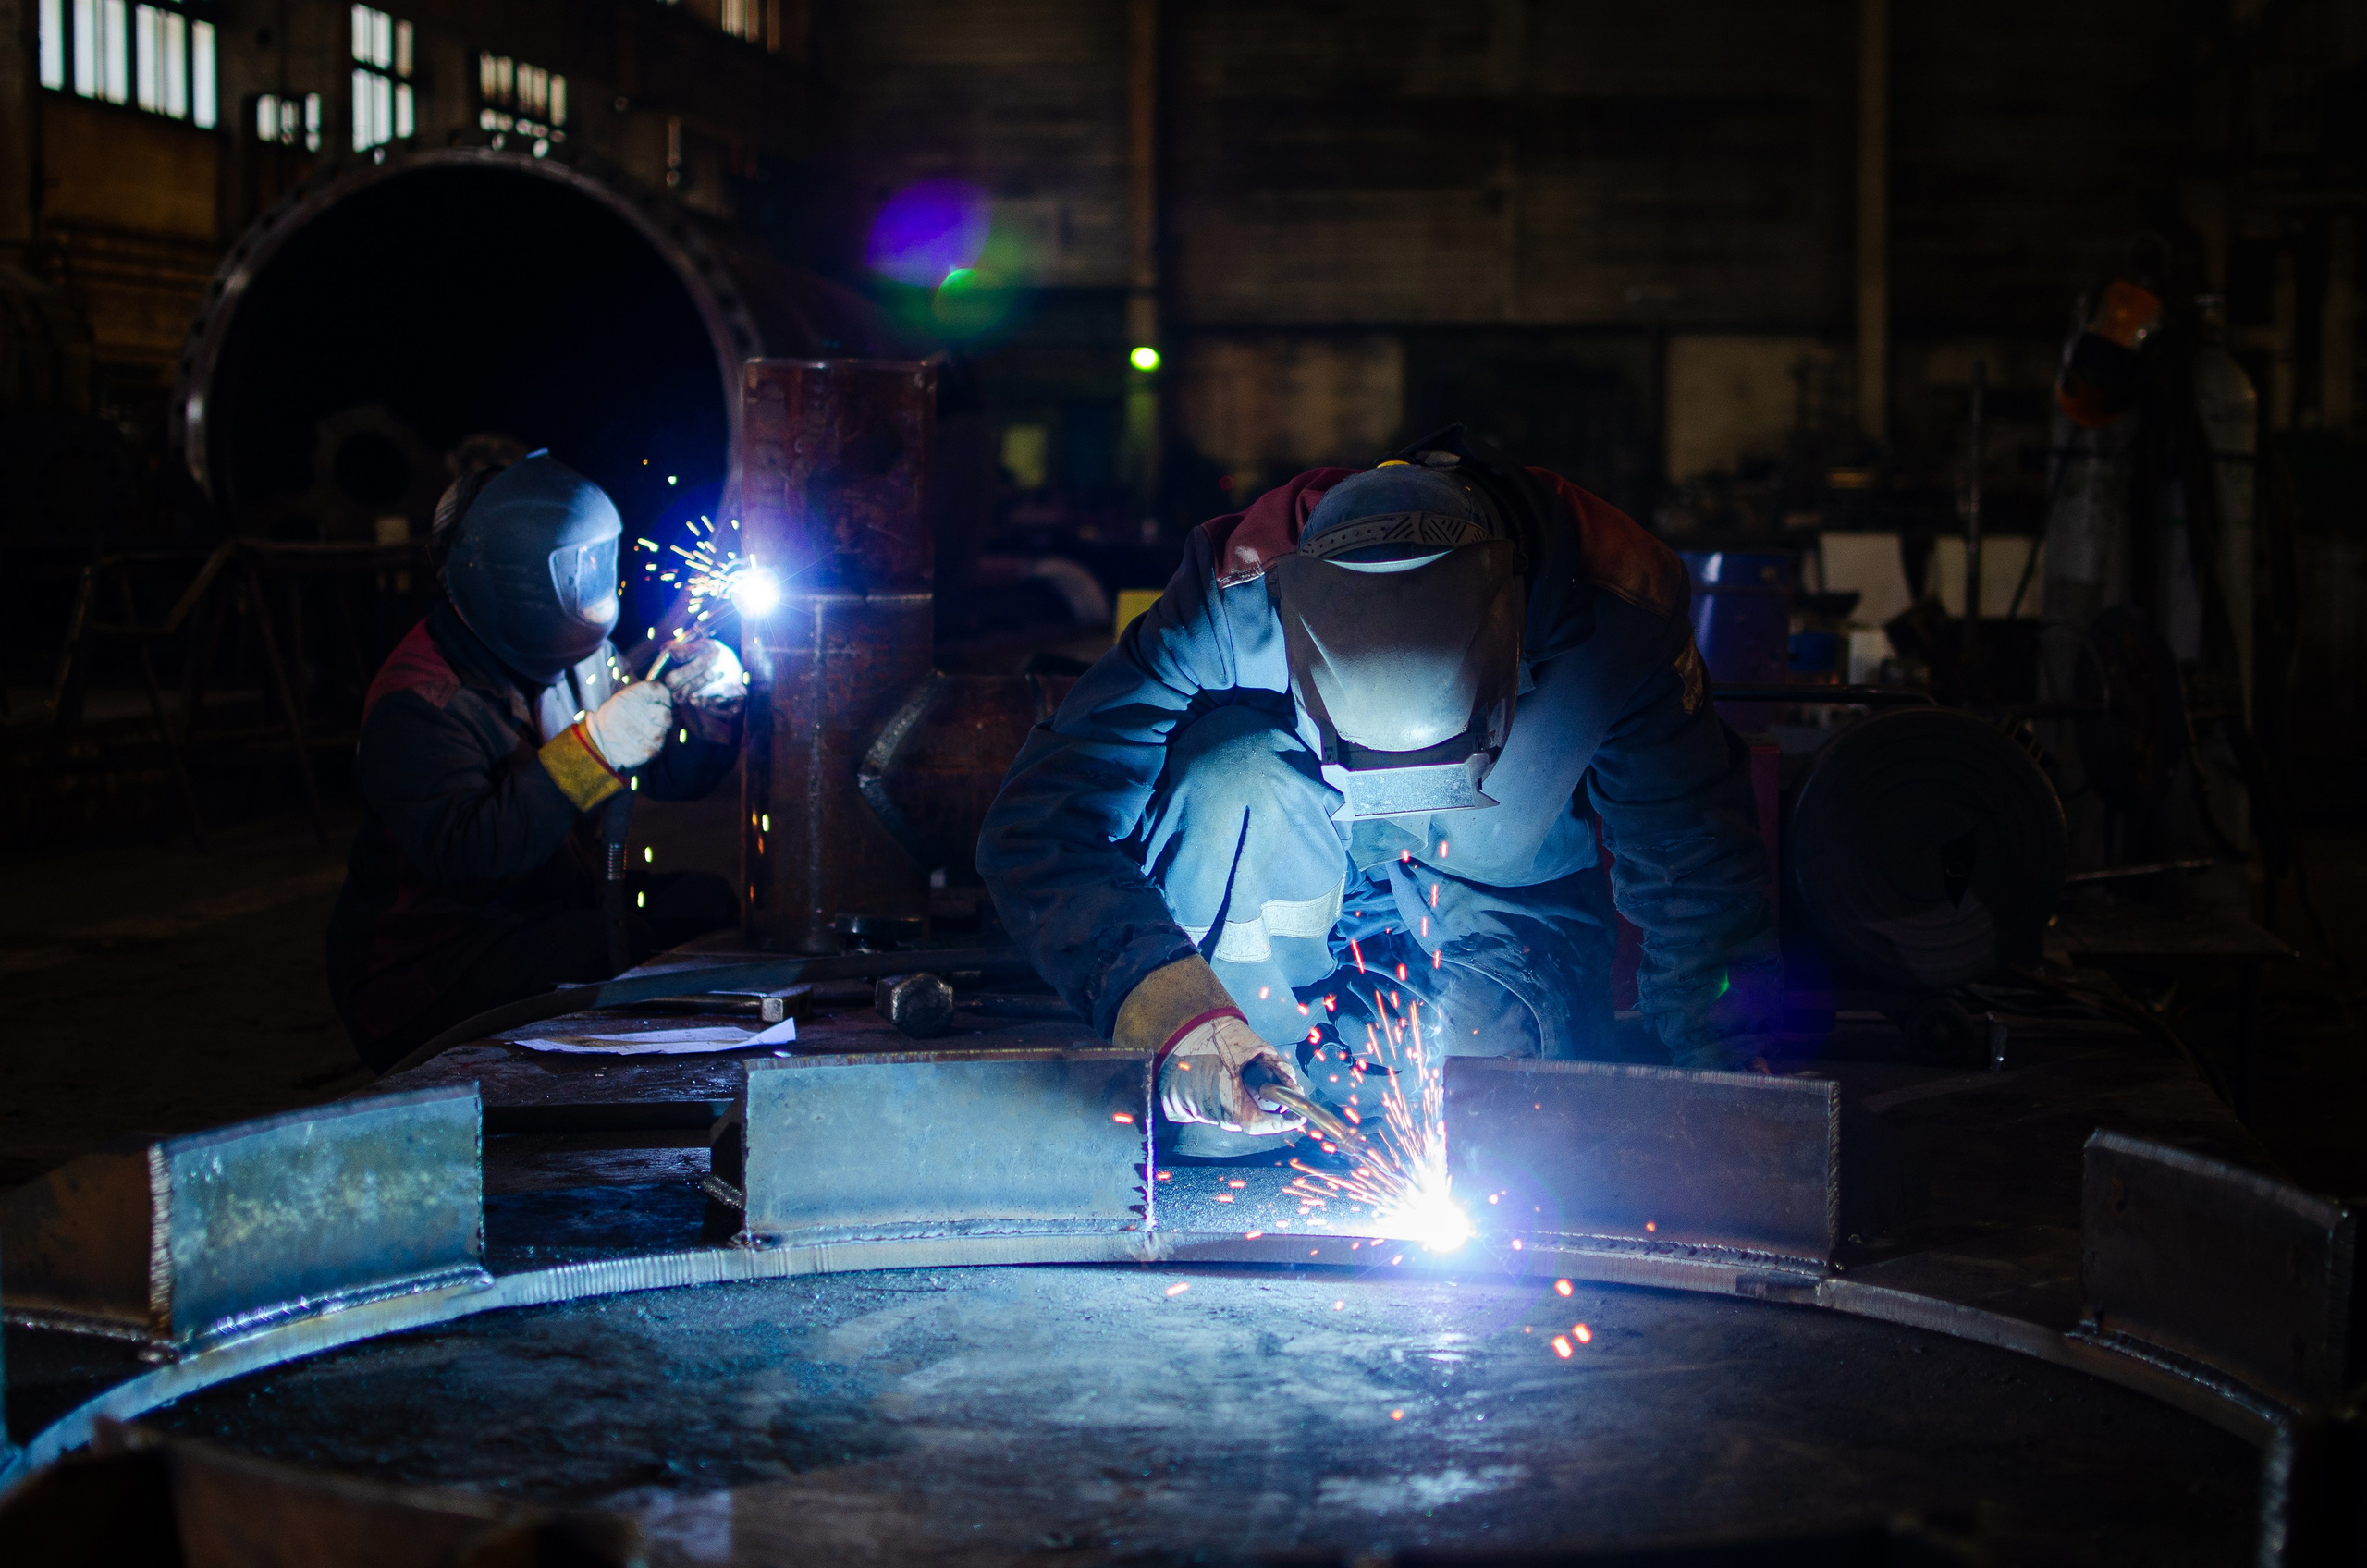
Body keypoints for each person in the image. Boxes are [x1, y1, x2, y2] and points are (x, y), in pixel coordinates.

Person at [976, 431, 1778, 1154]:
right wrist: (1173, 1012)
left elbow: (1691, 864)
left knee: (1501, 1137)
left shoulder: (1621, 600)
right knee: (1233, 771)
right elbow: (1041, 829)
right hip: (1297, 891)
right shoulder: (1231, 598)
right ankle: (1245, 1071)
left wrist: (1732, 1087)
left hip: (1496, 911)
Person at [327, 451, 747, 1072]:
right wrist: (590, 754)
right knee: (600, 947)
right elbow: (474, 859)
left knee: (704, 908)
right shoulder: (418, 704)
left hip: (544, 906)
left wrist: (709, 715)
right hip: (428, 969)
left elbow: (666, 773)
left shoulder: (575, 650)